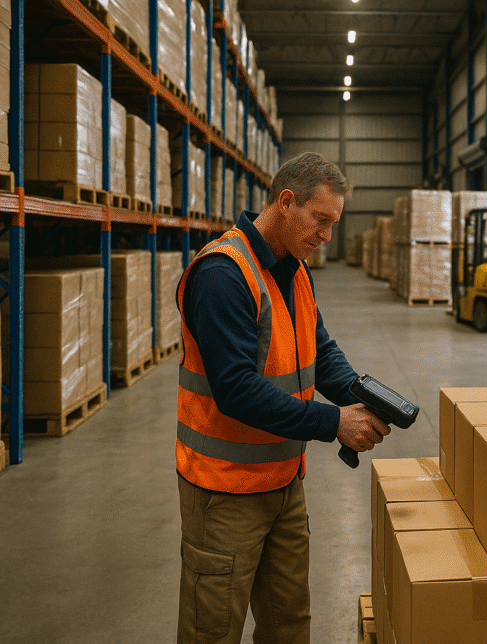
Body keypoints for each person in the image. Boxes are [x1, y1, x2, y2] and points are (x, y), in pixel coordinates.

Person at [175, 152, 390, 643]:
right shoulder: (223, 274)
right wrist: (334, 422)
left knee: (288, 625)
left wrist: (366, 394)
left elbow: (322, 351)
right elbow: (236, 391)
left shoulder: (294, 268)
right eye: (321, 220)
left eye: (333, 223)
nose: (326, 236)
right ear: (286, 202)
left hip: (283, 485)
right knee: (213, 630)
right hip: (224, 492)